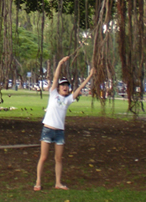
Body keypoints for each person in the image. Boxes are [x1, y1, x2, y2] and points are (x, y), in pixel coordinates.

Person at [34, 56, 95, 191]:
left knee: (59, 158)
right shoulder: (53, 94)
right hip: (48, 129)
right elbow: (55, 78)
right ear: (59, 87)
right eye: (63, 85)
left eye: (66, 86)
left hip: (59, 132)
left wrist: (90, 75)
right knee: (43, 157)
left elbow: (80, 88)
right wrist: (60, 63)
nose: (65, 87)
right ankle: (38, 181)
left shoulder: (68, 100)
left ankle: (58, 183)